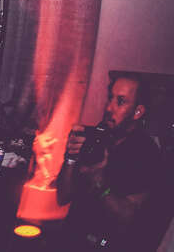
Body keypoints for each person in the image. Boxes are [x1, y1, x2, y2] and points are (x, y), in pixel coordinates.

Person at [56, 72, 164, 249]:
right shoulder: (96, 137)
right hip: (72, 239)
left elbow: (129, 217)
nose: (108, 108)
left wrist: (99, 184)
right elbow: (63, 196)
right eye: (110, 98)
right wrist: (70, 158)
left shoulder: (146, 152)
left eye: (120, 101)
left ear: (138, 112)